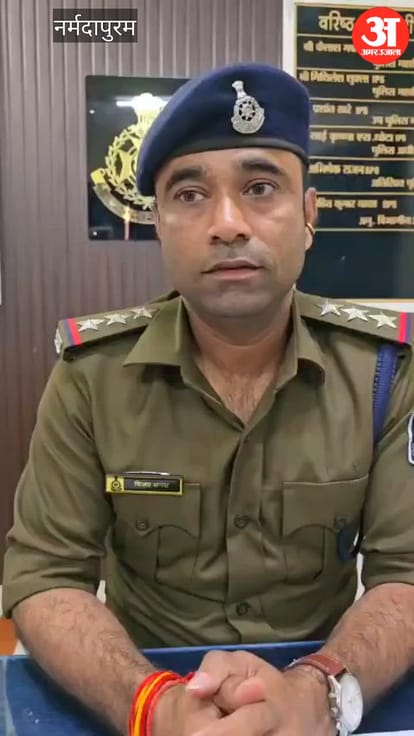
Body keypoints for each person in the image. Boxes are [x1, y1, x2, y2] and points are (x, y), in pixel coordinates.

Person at [2, 61, 414, 736]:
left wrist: (319, 693)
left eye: (260, 188)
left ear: (309, 215)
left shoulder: (383, 371)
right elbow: (45, 576)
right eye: (190, 195)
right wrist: (154, 704)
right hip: (139, 687)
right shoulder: (92, 375)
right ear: (159, 224)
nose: (227, 223)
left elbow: (408, 572)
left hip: (327, 684)